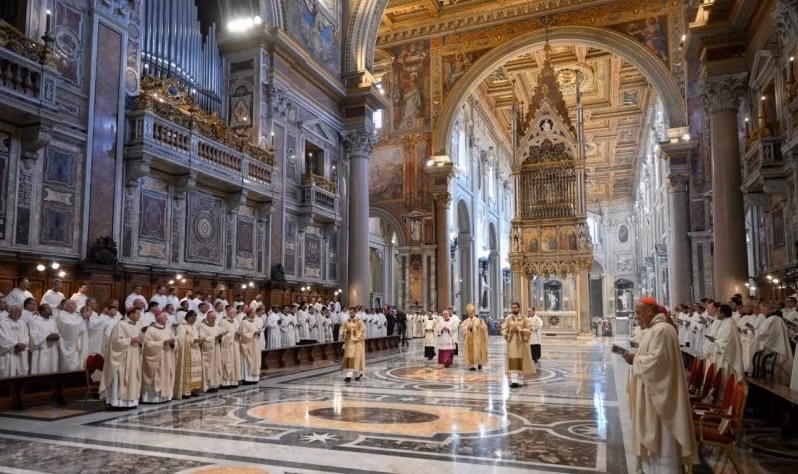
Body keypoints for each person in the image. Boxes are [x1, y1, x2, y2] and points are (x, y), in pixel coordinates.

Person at [624, 297, 698, 473]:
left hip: (660, 397)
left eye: (638, 313)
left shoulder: (662, 330)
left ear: (650, 312)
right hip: (652, 391)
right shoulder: (655, 329)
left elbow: (657, 362)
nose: (636, 317)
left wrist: (635, 359)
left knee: (662, 439)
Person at [99, 308, 143, 408]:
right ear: (130, 314)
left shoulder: (136, 326)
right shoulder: (121, 325)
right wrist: (131, 340)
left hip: (133, 355)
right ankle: (118, 402)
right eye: (137, 314)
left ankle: (131, 402)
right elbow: (115, 342)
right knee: (121, 378)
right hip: (123, 357)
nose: (139, 316)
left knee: (132, 377)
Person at [141, 310, 176, 403]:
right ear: (158, 318)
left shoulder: (168, 329)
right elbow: (147, 344)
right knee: (157, 375)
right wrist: (162, 343)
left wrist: (173, 342)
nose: (166, 318)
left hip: (167, 355)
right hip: (156, 357)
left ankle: (166, 396)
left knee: (167, 374)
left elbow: (173, 339)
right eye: (165, 316)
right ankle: (153, 398)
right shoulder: (150, 329)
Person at [706, 303, 744, 382]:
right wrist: (716, 340)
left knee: (724, 377)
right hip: (721, 354)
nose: (717, 314)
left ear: (723, 313)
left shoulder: (729, 325)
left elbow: (726, 342)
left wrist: (715, 340)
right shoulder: (725, 323)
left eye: (718, 312)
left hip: (725, 357)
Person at [501, 302, 535, 388]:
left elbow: (530, 329)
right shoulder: (508, 318)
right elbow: (504, 329)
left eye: (515, 307)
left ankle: (521, 381)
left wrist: (519, 330)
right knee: (513, 362)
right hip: (512, 343)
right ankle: (514, 381)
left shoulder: (524, 318)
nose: (514, 309)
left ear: (518, 308)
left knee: (522, 361)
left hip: (521, 344)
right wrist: (510, 331)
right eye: (512, 308)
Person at [174, 310, 203, 399]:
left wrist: (199, 339)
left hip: (195, 352)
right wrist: (193, 340)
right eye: (192, 318)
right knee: (187, 372)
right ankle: (185, 391)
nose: (194, 320)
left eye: (195, 318)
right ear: (188, 317)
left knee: (195, 372)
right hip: (187, 352)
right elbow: (180, 340)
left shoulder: (193, 326)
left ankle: (193, 389)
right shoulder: (181, 326)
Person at [56, 299, 88, 371]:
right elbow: (69, 326)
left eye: (75, 304)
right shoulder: (61, 315)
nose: (76, 306)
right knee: (65, 366)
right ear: (66, 306)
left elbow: (82, 329)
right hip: (66, 344)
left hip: (75, 345)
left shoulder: (76, 315)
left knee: (75, 364)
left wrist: (81, 318)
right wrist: (82, 318)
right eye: (73, 304)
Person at [28, 304, 60, 374]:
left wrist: (57, 336)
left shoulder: (52, 321)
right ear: (42, 312)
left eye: (50, 309)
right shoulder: (35, 322)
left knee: (52, 369)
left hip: (52, 350)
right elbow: (34, 337)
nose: (50, 310)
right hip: (41, 351)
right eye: (48, 309)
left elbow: (57, 332)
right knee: (41, 369)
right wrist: (46, 337)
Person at [0, 305, 29, 377]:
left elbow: (26, 336)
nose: (20, 313)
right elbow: (3, 337)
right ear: (11, 311)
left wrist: (23, 344)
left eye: (21, 312)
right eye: (17, 311)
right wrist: (16, 344)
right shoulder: (3, 322)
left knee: (21, 376)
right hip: (9, 353)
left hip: (21, 353)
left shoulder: (22, 323)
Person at [199, 311, 222, 392]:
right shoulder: (202, 326)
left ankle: (215, 384)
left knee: (216, 365)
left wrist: (221, 336)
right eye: (213, 318)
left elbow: (220, 332)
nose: (214, 319)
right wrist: (214, 338)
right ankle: (208, 386)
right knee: (209, 367)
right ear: (208, 317)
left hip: (216, 348)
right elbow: (202, 338)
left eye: (215, 318)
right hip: (208, 350)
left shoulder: (216, 324)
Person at [340, 308, 366, 382]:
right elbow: (342, 329)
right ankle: (349, 374)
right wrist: (345, 332)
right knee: (350, 358)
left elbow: (362, 331)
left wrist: (353, 332)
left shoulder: (359, 321)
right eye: (349, 313)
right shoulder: (347, 321)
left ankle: (359, 373)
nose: (350, 314)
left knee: (357, 358)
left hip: (357, 343)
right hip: (349, 343)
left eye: (352, 313)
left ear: (355, 312)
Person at [460, 304, 488, 370]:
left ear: (474, 313)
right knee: (469, 353)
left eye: (472, 313)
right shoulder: (466, 321)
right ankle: (471, 365)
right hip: (469, 339)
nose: (470, 315)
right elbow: (461, 327)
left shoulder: (478, 320)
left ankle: (479, 363)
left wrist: (480, 325)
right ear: (467, 314)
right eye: (469, 313)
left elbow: (484, 327)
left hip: (477, 340)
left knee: (478, 352)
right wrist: (467, 328)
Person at [238, 308, 262, 384]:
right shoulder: (244, 322)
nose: (255, 314)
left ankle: (254, 378)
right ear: (249, 314)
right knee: (248, 362)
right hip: (248, 345)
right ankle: (247, 379)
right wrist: (253, 334)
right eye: (253, 313)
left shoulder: (253, 322)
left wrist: (257, 333)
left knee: (255, 361)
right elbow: (242, 334)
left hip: (255, 344)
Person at [220, 307, 240, 388]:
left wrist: (239, 334)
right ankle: (226, 382)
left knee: (235, 362)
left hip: (235, 344)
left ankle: (234, 381)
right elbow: (222, 334)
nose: (234, 314)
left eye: (235, 312)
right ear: (228, 313)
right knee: (227, 362)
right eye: (233, 312)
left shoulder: (235, 321)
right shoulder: (223, 321)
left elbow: (238, 330)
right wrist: (230, 336)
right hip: (227, 345)